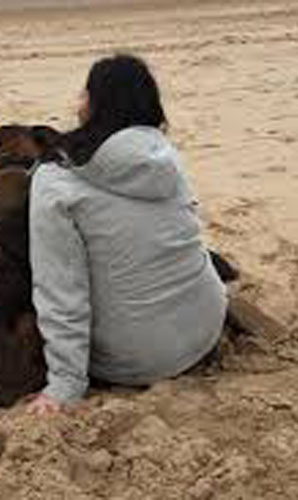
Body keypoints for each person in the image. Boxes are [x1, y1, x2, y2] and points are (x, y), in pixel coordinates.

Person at [27, 54, 227, 416]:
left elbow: (60, 290)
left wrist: (65, 386)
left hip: (136, 361)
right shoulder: (163, 154)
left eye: (85, 93)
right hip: (206, 327)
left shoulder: (55, 178)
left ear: (94, 103)